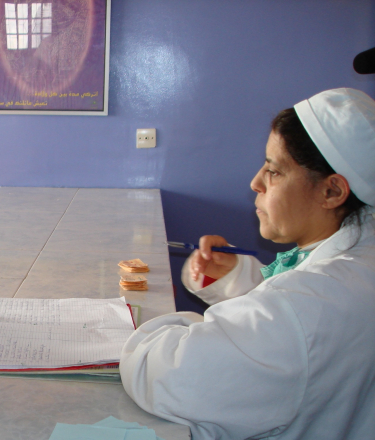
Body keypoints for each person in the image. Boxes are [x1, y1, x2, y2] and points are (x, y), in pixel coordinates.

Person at [120, 88, 375, 439]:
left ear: (332, 191)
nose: (255, 182)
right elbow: (291, 331)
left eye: (274, 172)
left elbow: (170, 375)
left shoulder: (312, 304)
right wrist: (240, 282)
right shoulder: (358, 258)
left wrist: (173, 327)